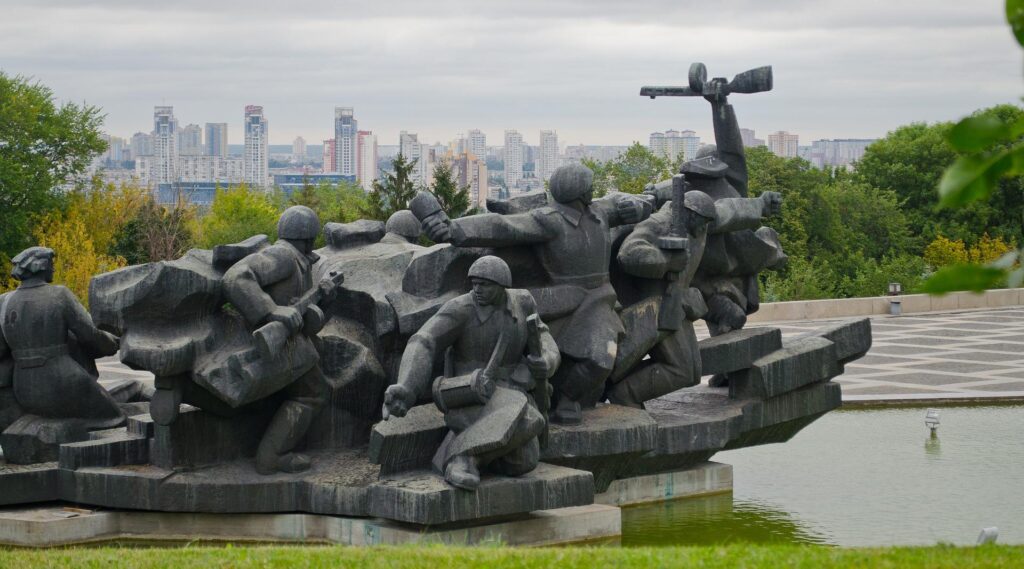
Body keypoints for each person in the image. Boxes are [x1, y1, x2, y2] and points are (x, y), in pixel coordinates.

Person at [419, 163, 650, 424]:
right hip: (560, 297)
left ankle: (568, 398)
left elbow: (635, 202)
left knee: (599, 359)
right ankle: (534, 392)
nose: (592, 191)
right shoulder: (550, 219)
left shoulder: (600, 211)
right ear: (581, 192)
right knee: (529, 337)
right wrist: (454, 230)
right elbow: (502, 226)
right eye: (589, 186)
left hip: (599, 298)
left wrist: (637, 207)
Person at [383, 256, 560, 490]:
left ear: (502, 285)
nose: (477, 289)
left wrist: (548, 360)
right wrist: (407, 386)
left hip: (512, 392)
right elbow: (424, 340)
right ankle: (462, 460)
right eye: (474, 283)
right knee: (531, 419)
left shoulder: (523, 302)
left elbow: (543, 336)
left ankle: (472, 453)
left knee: (524, 461)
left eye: (484, 285)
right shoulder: (461, 308)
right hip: (470, 395)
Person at [221, 206, 330, 474]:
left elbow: (298, 306)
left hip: (288, 343)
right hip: (273, 345)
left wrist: (322, 294)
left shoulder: (299, 260)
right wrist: (270, 310)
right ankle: (272, 456)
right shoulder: (283, 256)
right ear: (308, 236)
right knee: (313, 393)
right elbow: (235, 278)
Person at [0, 247, 122, 435]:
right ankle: (63, 431)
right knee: (115, 417)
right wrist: (113, 343)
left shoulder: (4, 301)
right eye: (51, 263)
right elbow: (90, 335)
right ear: (40, 266)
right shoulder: (59, 295)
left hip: (23, 388)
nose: (53, 268)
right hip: (63, 381)